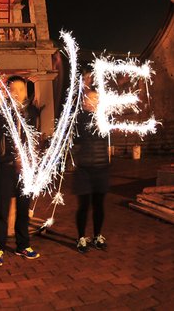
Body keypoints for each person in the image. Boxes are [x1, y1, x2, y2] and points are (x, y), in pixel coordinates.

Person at [0, 75, 41, 266]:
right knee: (2, 210)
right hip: (6, 167)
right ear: (8, 92)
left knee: (23, 209)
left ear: (26, 91)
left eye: (21, 89)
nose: (17, 93)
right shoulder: (2, 111)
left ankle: (22, 245)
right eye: (13, 89)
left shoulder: (33, 112)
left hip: (25, 169)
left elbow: (34, 137)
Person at [72, 86, 110, 253]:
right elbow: (75, 141)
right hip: (84, 170)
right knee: (84, 206)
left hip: (101, 169)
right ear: (84, 101)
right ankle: (81, 237)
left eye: (97, 99)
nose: (94, 102)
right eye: (90, 98)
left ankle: (97, 235)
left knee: (99, 205)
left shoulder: (105, 118)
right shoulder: (79, 118)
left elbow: (108, 142)